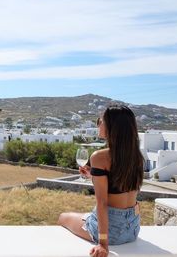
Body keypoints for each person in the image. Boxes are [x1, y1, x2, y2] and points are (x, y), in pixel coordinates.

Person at [58, 105, 144, 257]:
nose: (98, 124)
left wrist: (103, 244)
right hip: (133, 229)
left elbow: (102, 202)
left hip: (111, 231)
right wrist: (94, 175)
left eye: (100, 121)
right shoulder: (136, 156)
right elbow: (121, 187)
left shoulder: (99, 157)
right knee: (85, 216)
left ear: (112, 126)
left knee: (63, 217)